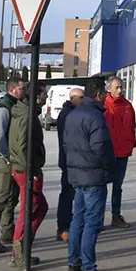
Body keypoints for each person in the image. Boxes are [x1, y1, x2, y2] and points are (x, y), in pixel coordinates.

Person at [64, 75, 116, 271]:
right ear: (97, 95)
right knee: (92, 224)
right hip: (93, 176)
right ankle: (88, 269)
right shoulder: (95, 116)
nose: (105, 97)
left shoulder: (73, 114)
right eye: (104, 93)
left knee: (78, 219)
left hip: (77, 175)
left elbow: (66, 145)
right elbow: (101, 148)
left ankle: (73, 264)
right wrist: (109, 166)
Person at [9, 86, 48, 268]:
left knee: (40, 208)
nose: (47, 96)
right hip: (26, 170)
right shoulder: (26, 116)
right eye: (43, 94)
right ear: (36, 97)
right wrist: (31, 171)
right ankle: (18, 252)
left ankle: (23, 247)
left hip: (24, 168)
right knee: (28, 210)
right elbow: (22, 146)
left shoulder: (25, 112)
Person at [0, 76, 24, 252]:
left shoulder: (14, 105)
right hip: (5, 158)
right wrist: (7, 156)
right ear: (12, 90)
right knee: (2, 196)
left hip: (12, 157)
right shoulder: (3, 108)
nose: (23, 92)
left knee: (12, 196)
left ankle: (7, 231)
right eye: (21, 89)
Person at [104, 76, 136, 228]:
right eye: (116, 87)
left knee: (118, 186)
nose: (119, 90)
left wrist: (131, 142)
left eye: (121, 87)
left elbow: (132, 127)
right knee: (101, 186)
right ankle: (96, 219)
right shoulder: (104, 105)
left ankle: (116, 216)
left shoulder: (128, 106)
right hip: (106, 153)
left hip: (123, 153)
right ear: (109, 89)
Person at [55, 87, 83, 242]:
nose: (83, 100)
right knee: (67, 194)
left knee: (71, 193)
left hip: (69, 160)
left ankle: (68, 224)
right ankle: (63, 227)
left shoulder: (69, 113)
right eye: (81, 97)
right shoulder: (68, 115)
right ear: (73, 99)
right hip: (69, 161)